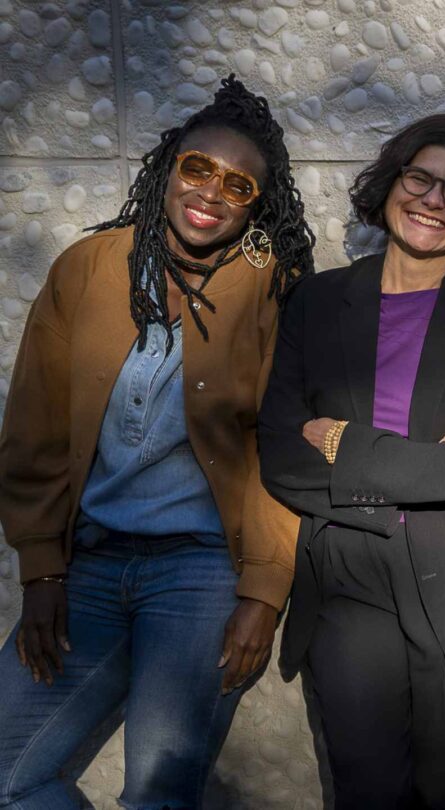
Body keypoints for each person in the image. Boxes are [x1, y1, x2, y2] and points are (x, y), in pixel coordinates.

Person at [0, 77, 313, 808]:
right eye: (197, 167)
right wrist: (41, 572)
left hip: (202, 575)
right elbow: (35, 428)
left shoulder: (277, 289)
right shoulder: (89, 268)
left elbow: (283, 449)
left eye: (237, 185)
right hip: (90, 567)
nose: (210, 192)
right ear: (168, 167)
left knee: (156, 794)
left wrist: (264, 593)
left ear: (256, 205)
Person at [256, 113, 445, 809]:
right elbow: (281, 454)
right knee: (367, 791)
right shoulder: (317, 302)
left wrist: (343, 440)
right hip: (347, 576)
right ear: (389, 187)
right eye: (419, 178)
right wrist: (412, 469)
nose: (433, 200)